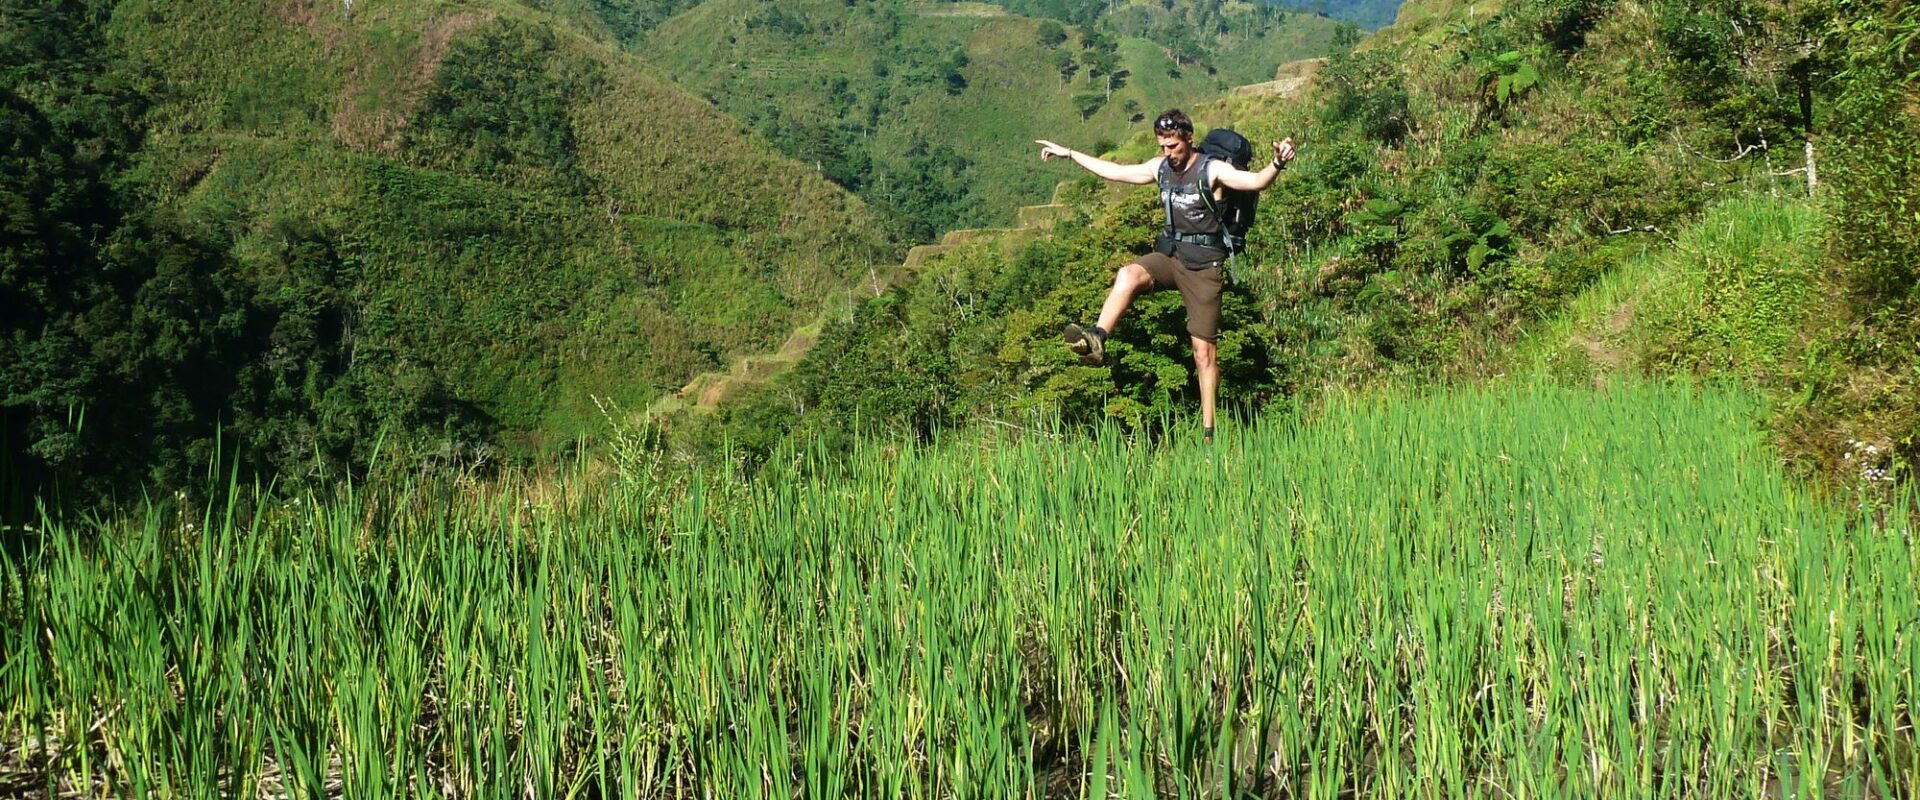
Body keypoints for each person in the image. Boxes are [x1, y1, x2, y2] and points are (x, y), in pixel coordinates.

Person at [1035, 109, 1295, 444]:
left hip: (1204, 265)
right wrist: (1069, 154)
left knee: (1203, 354)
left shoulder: (1212, 169)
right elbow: (1115, 171)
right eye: (1162, 146)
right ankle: (1098, 338)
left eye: (1172, 146)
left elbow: (1255, 181)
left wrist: (1277, 163)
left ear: (1189, 138)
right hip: (1171, 257)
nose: (1166, 153)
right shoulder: (1160, 169)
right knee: (1128, 274)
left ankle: (1208, 433)